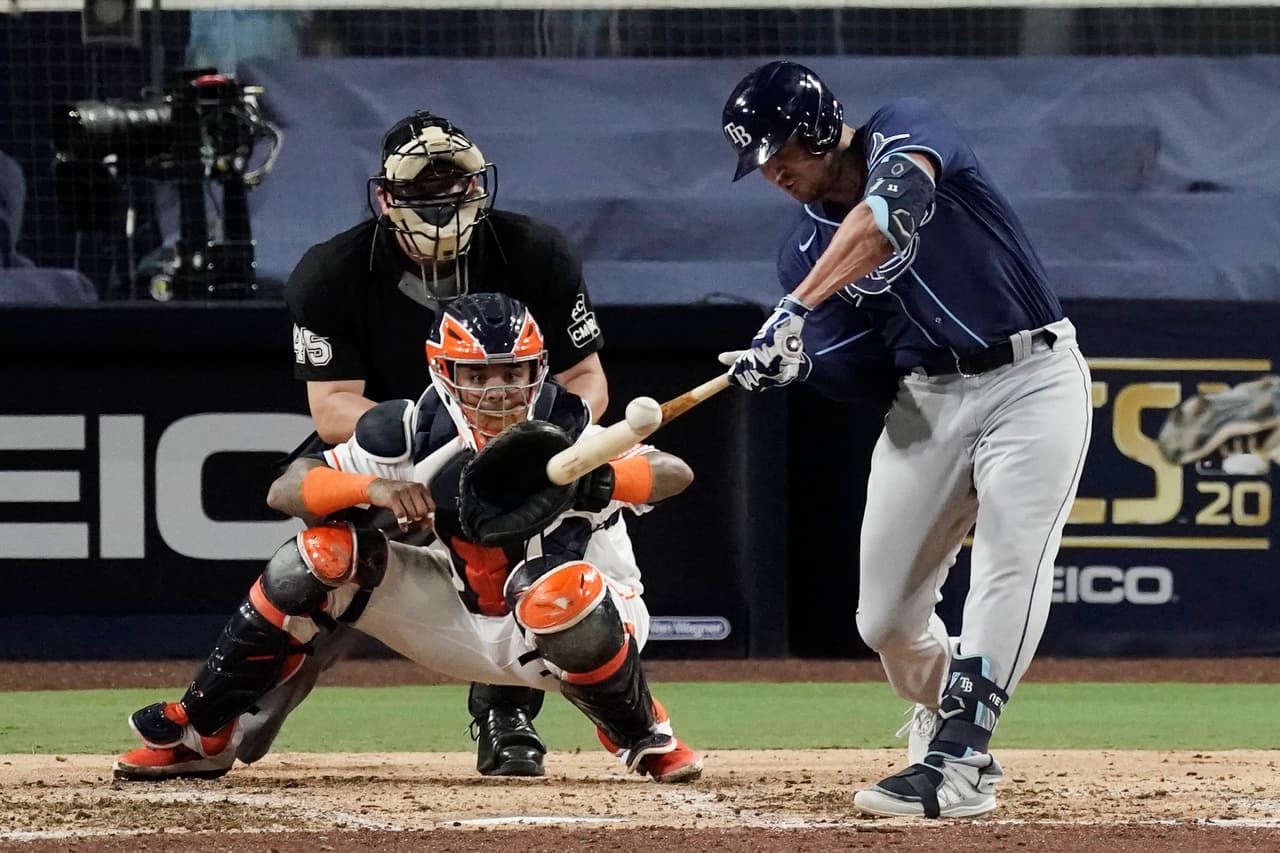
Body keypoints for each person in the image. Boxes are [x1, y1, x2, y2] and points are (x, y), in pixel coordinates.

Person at [113, 293, 703, 785]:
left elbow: (676, 472)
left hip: (590, 618)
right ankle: (204, 732)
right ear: (444, 374)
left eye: (511, 372)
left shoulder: (572, 428)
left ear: (537, 370)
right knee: (319, 556)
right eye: (478, 374)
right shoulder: (406, 430)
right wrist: (372, 489)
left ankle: (641, 731)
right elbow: (286, 491)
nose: (497, 390)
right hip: (461, 615)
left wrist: (596, 479)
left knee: (552, 588)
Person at [719, 61, 1093, 818]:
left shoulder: (909, 127)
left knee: (1009, 561)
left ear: (821, 126)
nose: (775, 172)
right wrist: (801, 361)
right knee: (884, 620)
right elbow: (862, 371)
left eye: (782, 150)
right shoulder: (801, 252)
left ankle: (960, 761)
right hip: (925, 402)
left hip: (1033, 375)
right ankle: (949, 699)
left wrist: (792, 308)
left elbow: (887, 215)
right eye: (762, 162)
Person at [278, 110, 609, 778]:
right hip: (394, 434)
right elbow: (334, 404)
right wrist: (442, 438)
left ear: (478, 186)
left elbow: (587, 381)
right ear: (386, 196)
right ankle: (258, 689)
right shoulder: (330, 272)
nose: (440, 199)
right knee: (315, 536)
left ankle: (504, 711)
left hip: (516, 436)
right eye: (422, 188)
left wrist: (524, 437)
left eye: (453, 184)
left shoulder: (538, 253)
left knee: (525, 518)